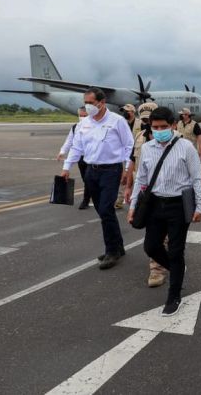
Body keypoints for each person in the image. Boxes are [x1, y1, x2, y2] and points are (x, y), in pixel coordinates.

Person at [128, 107, 201, 315]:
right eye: (155, 127)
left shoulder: (186, 147)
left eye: (164, 127)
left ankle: (174, 295)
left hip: (178, 205)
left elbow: (197, 177)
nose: (159, 130)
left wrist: (200, 206)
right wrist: (133, 205)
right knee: (151, 247)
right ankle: (176, 268)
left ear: (173, 126)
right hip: (154, 203)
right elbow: (141, 180)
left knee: (175, 250)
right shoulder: (147, 148)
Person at [60, 88, 134, 269]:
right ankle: (118, 245)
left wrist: (126, 169)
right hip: (91, 171)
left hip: (111, 170)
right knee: (102, 211)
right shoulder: (84, 123)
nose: (88, 106)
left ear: (102, 102)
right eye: (86, 103)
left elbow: (128, 145)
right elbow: (77, 147)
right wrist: (66, 167)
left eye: (91, 103)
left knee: (106, 209)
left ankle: (112, 251)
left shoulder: (117, 121)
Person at [126, 102, 173, 288]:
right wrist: (128, 186)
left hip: (165, 194)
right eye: (144, 119)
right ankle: (171, 260)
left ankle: (157, 268)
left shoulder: (173, 140)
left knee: (162, 235)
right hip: (145, 194)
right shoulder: (139, 137)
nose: (147, 123)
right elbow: (132, 161)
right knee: (151, 232)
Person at [57, 106, 92, 210]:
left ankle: (85, 201)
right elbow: (69, 141)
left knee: (90, 179)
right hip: (81, 158)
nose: (82, 117)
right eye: (80, 115)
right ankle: (89, 197)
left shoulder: (95, 127)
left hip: (93, 158)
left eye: (84, 115)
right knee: (86, 180)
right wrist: (62, 151)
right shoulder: (75, 127)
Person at [115, 103, 139, 210]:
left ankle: (137, 200)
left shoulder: (140, 123)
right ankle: (119, 201)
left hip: (137, 154)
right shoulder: (121, 123)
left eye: (127, 111)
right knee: (123, 177)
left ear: (133, 112)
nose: (125, 113)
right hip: (124, 154)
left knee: (136, 177)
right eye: (124, 111)